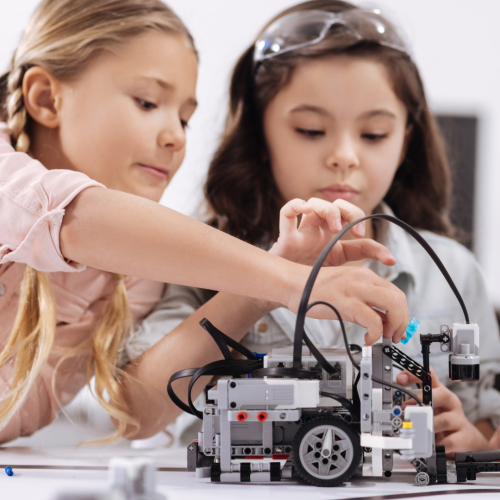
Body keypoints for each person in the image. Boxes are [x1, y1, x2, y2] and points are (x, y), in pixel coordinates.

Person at [0, 0, 407, 444]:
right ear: (46, 98)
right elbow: (76, 217)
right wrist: (291, 280)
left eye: (185, 119)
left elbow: (137, 412)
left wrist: (263, 283)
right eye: (147, 102)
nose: (175, 135)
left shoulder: (133, 277)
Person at [123, 0, 500, 452]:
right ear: (260, 137)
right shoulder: (198, 258)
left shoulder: (454, 272)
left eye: (374, 134)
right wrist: (262, 284)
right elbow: (132, 411)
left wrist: (472, 440)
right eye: (310, 130)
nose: (344, 154)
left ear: (404, 143)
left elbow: (484, 418)